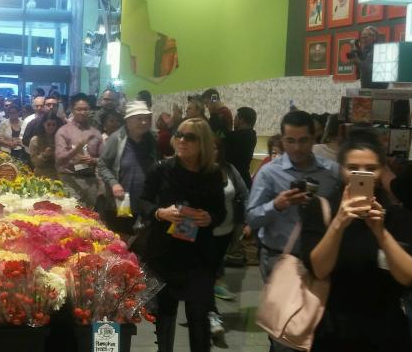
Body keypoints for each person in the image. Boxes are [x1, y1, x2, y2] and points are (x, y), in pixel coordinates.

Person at [301, 129, 412, 351]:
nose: (361, 174)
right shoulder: (321, 209)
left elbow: (409, 277)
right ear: (340, 169)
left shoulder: (398, 216)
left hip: (387, 333)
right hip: (333, 332)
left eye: (371, 169)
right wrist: (339, 222)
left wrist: (381, 233)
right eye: (353, 168)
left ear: (382, 170)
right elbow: (319, 269)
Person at [246, 111, 339, 352]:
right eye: (290, 141)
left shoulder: (332, 172)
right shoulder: (269, 173)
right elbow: (251, 217)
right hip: (280, 259)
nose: (297, 148)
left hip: (322, 262)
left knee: (318, 328)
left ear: (314, 137)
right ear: (282, 139)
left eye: (304, 140)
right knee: (284, 331)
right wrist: (276, 205)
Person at [138, 118, 226, 352]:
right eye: (179, 135)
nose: (182, 140)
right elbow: (142, 203)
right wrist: (160, 213)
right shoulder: (161, 169)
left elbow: (220, 211)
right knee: (165, 316)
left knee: (199, 318)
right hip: (165, 253)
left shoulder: (213, 173)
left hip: (199, 255)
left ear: (204, 143)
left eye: (190, 137)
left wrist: (210, 218)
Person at [207, 138, 249, 342]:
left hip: (225, 232)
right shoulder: (197, 169)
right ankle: (211, 315)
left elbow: (243, 193)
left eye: (215, 147)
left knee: (213, 273)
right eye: (209, 147)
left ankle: (205, 311)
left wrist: (247, 220)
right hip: (201, 234)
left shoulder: (229, 169)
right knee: (207, 276)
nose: (212, 151)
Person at [97, 101, 157, 235]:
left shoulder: (151, 139)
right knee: (121, 239)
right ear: (128, 121)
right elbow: (102, 165)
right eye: (139, 119)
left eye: (147, 119)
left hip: (145, 202)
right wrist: (114, 184)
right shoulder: (116, 139)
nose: (144, 122)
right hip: (122, 201)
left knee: (142, 240)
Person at [55, 93, 103, 208]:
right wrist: (77, 149)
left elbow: (105, 159)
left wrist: (93, 160)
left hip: (91, 182)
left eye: (86, 109)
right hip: (70, 181)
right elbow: (59, 159)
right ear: (72, 110)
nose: (83, 112)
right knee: (71, 218)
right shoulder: (63, 131)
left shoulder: (95, 133)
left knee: (91, 217)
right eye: (79, 109)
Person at [224, 107, 257, 189]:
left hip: (237, 182)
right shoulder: (252, 135)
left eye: (236, 118)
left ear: (241, 120)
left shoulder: (236, 136)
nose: (234, 121)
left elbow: (219, 137)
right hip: (244, 179)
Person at [349, 25, 388, 90]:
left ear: (374, 37)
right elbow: (363, 67)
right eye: (362, 38)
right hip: (366, 90)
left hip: (378, 91)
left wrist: (359, 62)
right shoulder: (366, 50)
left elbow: (375, 70)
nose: (363, 40)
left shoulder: (381, 50)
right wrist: (359, 54)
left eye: (365, 37)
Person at [29, 111, 64, 179]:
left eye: (54, 125)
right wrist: (44, 155)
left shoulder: (60, 139)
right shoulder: (35, 140)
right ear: (43, 124)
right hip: (41, 176)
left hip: (58, 175)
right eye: (48, 125)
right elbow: (34, 162)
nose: (51, 127)